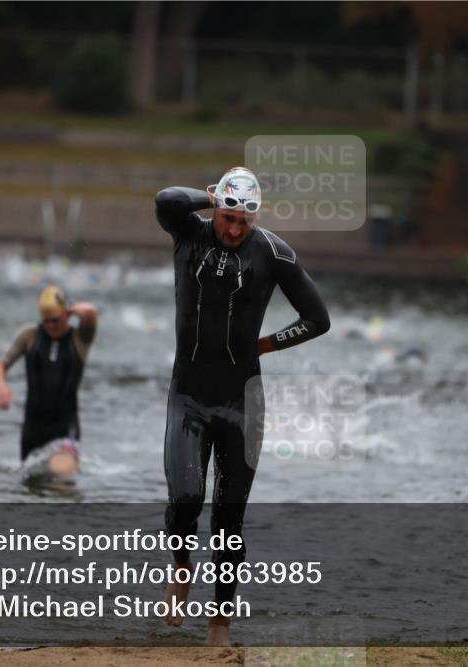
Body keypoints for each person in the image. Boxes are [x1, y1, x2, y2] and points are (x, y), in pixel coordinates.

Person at [155, 167, 330, 645]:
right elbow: (167, 198)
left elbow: (317, 319)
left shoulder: (273, 253)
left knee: (229, 522)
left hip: (241, 404)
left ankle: (219, 625)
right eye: (228, 217)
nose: (234, 230)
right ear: (216, 210)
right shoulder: (188, 232)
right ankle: (181, 566)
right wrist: (207, 198)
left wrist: (266, 345)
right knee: (186, 498)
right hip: (187, 397)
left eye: (243, 222)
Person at [0, 286, 98, 470]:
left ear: (67, 314)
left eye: (55, 320)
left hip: (66, 430)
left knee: (61, 477)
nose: (50, 326)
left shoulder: (81, 339)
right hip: (32, 431)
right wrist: (2, 388)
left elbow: (90, 312)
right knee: (30, 491)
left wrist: (72, 310)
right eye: (46, 321)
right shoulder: (29, 335)